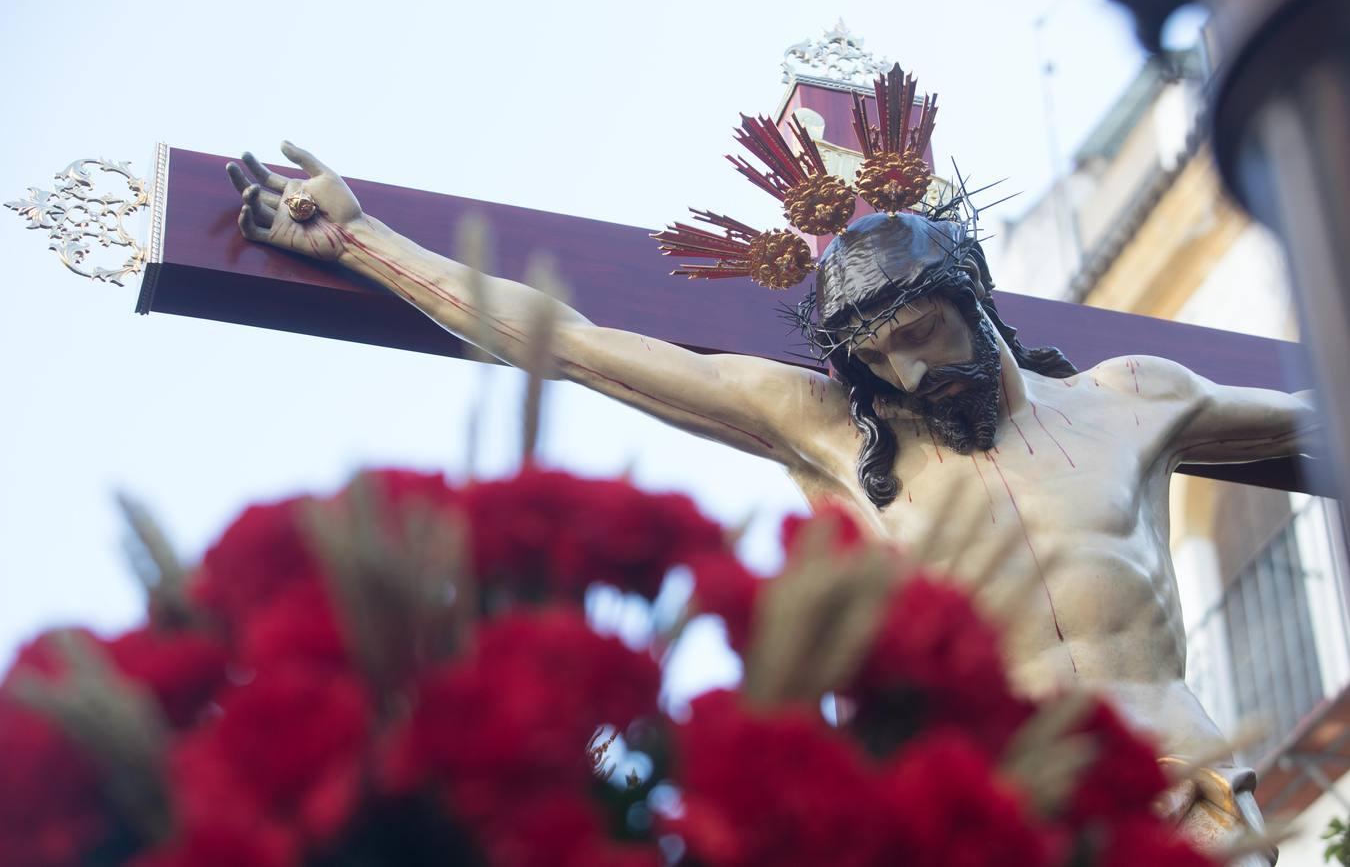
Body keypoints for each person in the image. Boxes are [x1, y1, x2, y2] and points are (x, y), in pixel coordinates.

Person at [228, 135, 1309, 864]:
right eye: (878, 360)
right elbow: (590, 350)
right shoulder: (833, 433)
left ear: (972, 290)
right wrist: (364, 243)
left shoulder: (1133, 403)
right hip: (1003, 823)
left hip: (1187, 793)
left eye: (923, 334)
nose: (911, 379)